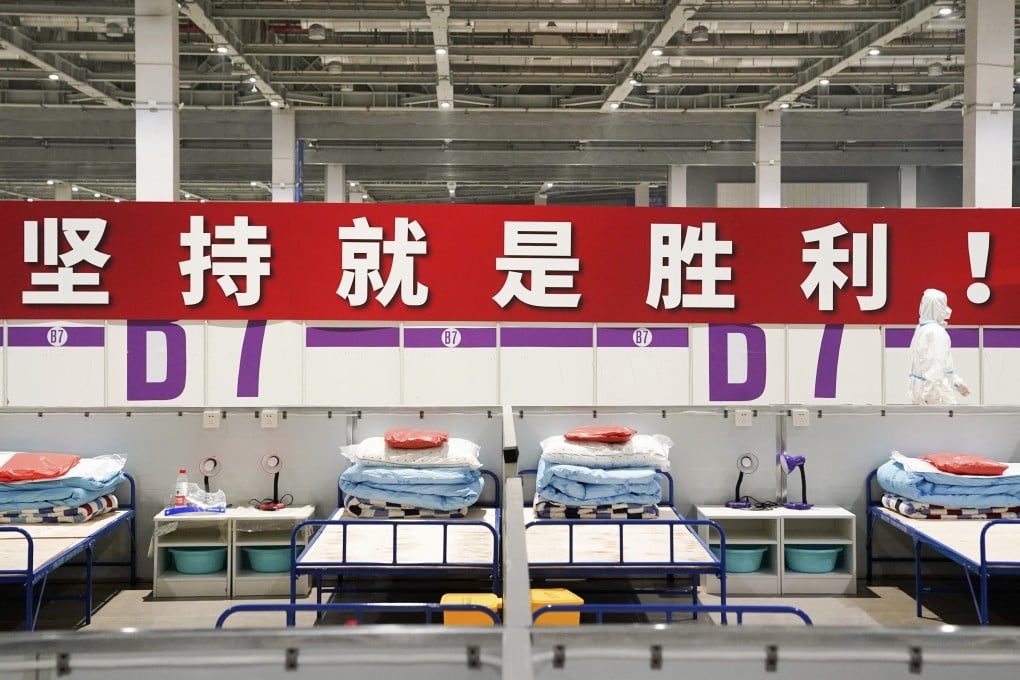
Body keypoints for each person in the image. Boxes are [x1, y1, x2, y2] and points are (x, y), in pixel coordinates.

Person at [907, 288, 970, 404]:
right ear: (940, 307)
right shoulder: (936, 332)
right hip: (936, 395)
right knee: (947, 416)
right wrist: (931, 397)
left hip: (920, 391)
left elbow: (942, 365)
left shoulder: (921, 329)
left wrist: (956, 382)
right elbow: (935, 365)